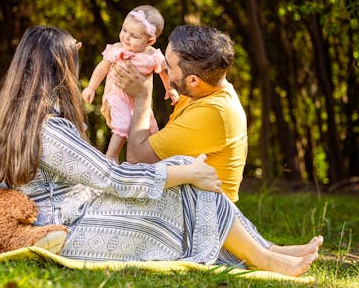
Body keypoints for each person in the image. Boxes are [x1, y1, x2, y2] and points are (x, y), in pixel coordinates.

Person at [0, 26, 320, 277]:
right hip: (68, 229)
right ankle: (265, 258)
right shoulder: (48, 125)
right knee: (185, 174)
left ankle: (267, 250)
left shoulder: (15, 118)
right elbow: (112, 178)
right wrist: (182, 175)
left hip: (67, 216)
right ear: (59, 69)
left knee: (186, 183)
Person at [113, 24, 324, 257]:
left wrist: (142, 96)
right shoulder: (201, 92)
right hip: (204, 209)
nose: (162, 65)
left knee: (180, 168)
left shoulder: (213, 112)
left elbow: (137, 158)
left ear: (193, 80)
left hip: (205, 219)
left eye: (169, 66)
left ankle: (260, 253)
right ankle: (270, 249)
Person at [81, 5, 179, 163]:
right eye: (124, 30)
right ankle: (111, 156)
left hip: (138, 102)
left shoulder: (153, 55)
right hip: (117, 96)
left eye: (134, 36)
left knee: (147, 129)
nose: (126, 37)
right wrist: (91, 87)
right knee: (125, 124)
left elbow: (163, 71)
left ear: (150, 41)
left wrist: (170, 88)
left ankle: (145, 166)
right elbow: (102, 68)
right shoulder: (117, 49)